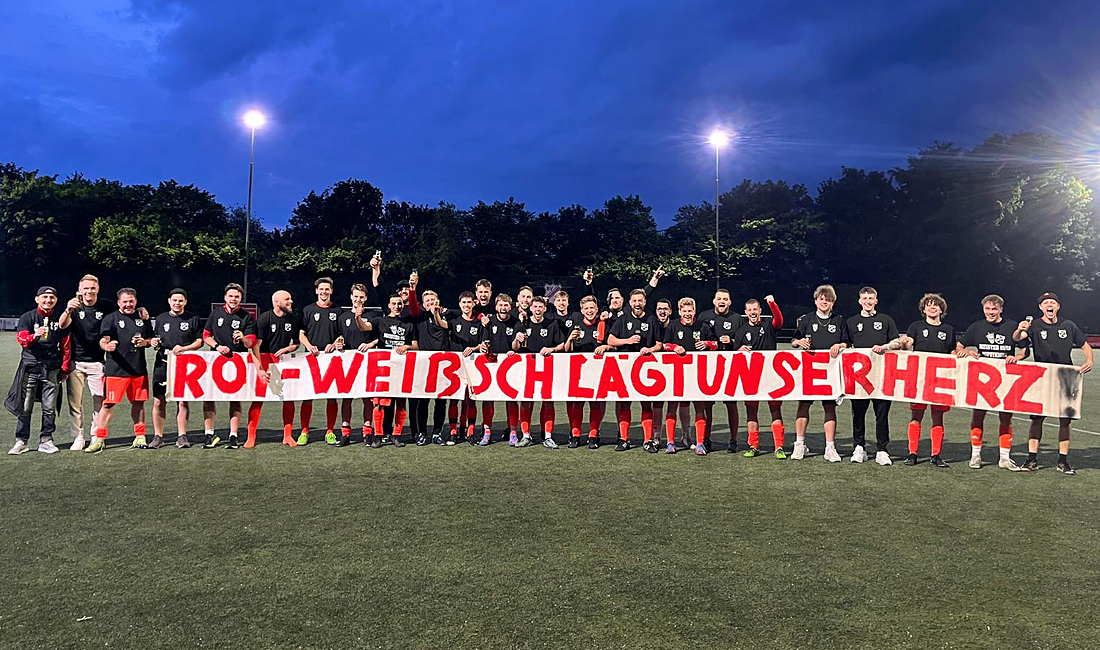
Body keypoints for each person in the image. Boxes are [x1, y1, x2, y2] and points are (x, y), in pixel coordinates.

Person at [1012, 292, 1093, 474]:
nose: (1050, 305)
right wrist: (1019, 329)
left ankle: (1063, 461)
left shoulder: (1068, 325)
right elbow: (1018, 338)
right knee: (1037, 419)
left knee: (1065, 420)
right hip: (1042, 377)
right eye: (1046, 303)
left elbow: (1085, 345)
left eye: (1053, 302)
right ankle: (1031, 459)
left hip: (1066, 377)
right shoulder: (1034, 325)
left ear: (1058, 306)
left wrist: (1089, 360)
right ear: (1041, 307)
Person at [955, 294, 1027, 471]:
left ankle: (1004, 457)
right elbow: (959, 346)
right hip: (983, 379)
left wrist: (1017, 357)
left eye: (994, 309)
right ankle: (975, 455)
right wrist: (967, 352)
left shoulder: (1011, 326)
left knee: (1006, 417)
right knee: (978, 415)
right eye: (987, 309)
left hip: (1006, 378)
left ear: (1001, 309)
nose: (990, 312)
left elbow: (1025, 350)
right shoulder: (977, 327)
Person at [85, 288, 153, 453]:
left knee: (138, 403)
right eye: (125, 302)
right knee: (108, 404)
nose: (128, 304)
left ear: (136, 301)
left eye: (131, 301)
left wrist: (144, 342)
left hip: (138, 369)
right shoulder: (111, 319)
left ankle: (140, 436)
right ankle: (99, 438)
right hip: (116, 370)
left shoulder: (142, 318)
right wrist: (106, 346)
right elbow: (104, 339)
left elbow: (150, 339)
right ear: (118, 303)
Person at [6, 286, 71, 455]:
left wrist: (65, 368)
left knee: (49, 408)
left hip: (52, 369)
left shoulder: (60, 319)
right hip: (31, 368)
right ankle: (21, 441)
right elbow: (22, 339)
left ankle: (46, 440)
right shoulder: (27, 317)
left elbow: (65, 345)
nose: (48, 300)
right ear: (37, 299)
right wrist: (35, 335)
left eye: (52, 297)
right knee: (25, 407)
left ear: (56, 300)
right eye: (45, 297)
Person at [791, 284, 849, 462]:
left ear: (833, 302)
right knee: (803, 406)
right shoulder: (807, 319)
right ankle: (799, 444)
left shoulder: (839, 320)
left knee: (829, 407)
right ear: (816, 301)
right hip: (809, 370)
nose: (824, 302)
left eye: (828, 300)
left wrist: (839, 345)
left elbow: (847, 342)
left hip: (830, 371)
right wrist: (799, 342)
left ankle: (830, 447)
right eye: (821, 299)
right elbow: (794, 340)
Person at [600, 288, 662, 452]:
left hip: (646, 368)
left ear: (645, 302)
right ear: (630, 302)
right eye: (634, 301)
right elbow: (610, 339)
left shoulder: (651, 320)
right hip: (625, 368)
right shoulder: (623, 319)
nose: (637, 303)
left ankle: (648, 440)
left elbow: (659, 344)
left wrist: (650, 349)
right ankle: (623, 439)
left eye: (640, 300)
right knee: (624, 404)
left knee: (646, 404)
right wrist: (627, 340)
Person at [898, 293, 955, 468]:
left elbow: (952, 352)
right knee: (916, 415)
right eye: (929, 305)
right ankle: (912, 453)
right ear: (923, 309)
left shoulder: (948, 330)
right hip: (920, 379)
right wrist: (904, 343)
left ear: (941, 309)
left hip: (940, 379)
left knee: (938, 416)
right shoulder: (916, 326)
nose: (932, 307)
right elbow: (909, 344)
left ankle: (935, 455)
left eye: (936, 305)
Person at [845, 286, 898, 465]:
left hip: (881, 376)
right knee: (858, 414)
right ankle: (859, 447)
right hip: (859, 378)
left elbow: (897, 341)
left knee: (881, 414)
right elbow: (846, 344)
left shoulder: (886, 320)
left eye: (871, 298)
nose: (868, 301)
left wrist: (885, 347)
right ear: (859, 301)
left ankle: (882, 449)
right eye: (865, 298)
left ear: (876, 300)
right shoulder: (852, 322)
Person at [200, 283, 257, 449]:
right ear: (225, 297)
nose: (233, 299)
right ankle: (209, 434)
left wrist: (243, 338)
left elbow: (251, 342)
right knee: (209, 396)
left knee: (235, 398)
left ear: (241, 298)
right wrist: (217, 346)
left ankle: (233, 435)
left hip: (237, 362)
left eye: (237, 296)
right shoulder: (216, 313)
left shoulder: (246, 316)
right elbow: (206, 335)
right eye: (231, 296)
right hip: (215, 361)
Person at [661, 297, 718, 455]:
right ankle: (670, 442)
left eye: (690, 311)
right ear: (679, 312)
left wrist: (707, 344)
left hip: (697, 374)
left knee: (699, 407)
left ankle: (700, 443)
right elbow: (664, 345)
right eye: (684, 311)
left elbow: (716, 344)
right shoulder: (673, 325)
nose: (687, 314)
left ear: (694, 311)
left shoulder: (703, 326)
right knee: (672, 407)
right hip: (676, 374)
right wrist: (674, 347)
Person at [247, 290, 302, 447]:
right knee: (258, 399)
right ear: (276, 302)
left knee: (288, 398)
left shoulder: (293, 318)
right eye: (287, 299)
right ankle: (251, 436)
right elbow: (255, 346)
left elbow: (296, 343)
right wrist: (260, 369)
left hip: (283, 361)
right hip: (264, 359)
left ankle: (287, 435)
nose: (291, 301)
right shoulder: (264, 318)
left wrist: (288, 349)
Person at [150, 289, 203, 448]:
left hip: (184, 364)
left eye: (180, 300)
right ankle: (158, 436)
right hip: (162, 363)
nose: (177, 303)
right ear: (169, 301)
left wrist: (185, 348)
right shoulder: (161, 318)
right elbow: (156, 338)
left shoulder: (193, 318)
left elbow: (200, 341)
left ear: (185, 302)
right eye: (174, 300)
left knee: (182, 400)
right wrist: (154, 342)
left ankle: (182, 436)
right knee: (159, 400)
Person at [734, 295, 785, 458]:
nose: (752, 312)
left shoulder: (768, 325)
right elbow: (734, 354)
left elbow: (779, 320)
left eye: (755, 309)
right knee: (751, 410)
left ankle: (779, 447)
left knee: (775, 410)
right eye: (749, 310)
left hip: (771, 375)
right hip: (751, 377)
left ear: (760, 310)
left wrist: (772, 303)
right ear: (746, 312)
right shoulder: (741, 331)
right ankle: (753, 446)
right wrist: (739, 350)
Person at [367, 293, 418, 447]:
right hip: (384, 369)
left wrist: (406, 346)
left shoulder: (409, 325)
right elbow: (365, 327)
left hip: (401, 368)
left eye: (399, 303)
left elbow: (416, 346)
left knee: (401, 403)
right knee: (379, 403)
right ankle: (378, 435)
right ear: (389, 305)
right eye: (394, 304)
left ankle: (396, 435)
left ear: (403, 305)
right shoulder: (380, 321)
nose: (397, 306)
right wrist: (357, 316)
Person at [63, 274, 107, 451]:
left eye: (92, 288)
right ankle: (78, 437)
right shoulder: (74, 306)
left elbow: (124, 310)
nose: (89, 291)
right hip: (76, 363)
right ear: (80, 290)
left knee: (99, 400)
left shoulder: (106, 306)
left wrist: (141, 310)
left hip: (97, 362)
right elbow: (62, 325)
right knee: (75, 403)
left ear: (98, 289)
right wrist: (67, 309)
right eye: (86, 288)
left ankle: (96, 435)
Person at [298, 277, 342, 445]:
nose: (324, 292)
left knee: (332, 396)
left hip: (331, 359)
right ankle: (304, 431)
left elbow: (342, 334)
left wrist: (335, 343)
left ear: (331, 291)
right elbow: (301, 333)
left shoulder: (337, 310)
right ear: (316, 291)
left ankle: (330, 431)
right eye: (321, 289)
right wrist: (309, 346)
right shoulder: (308, 310)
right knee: (307, 396)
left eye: (327, 289)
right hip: (312, 359)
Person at [518, 296, 565, 448]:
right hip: (527, 368)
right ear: (530, 308)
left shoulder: (552, 324)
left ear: (545, 308)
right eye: (535, 307)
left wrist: (552, 349)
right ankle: (526, 435)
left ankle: (548, 436)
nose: (537, 309)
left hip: (547, 369)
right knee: (526, 402)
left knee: (548, 401)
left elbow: (562, 344)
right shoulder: (523, 324)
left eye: (540, 307)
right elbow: (514, 346)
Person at [477, 293, 524, 446]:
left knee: (511, 399)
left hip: (509, 366)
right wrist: (483, 348)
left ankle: (513, 433)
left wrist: (515, 345)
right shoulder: (489, 322)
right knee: (487, 399)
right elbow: (483, 342)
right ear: (496, 306)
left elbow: (516, 347)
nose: (503, 308)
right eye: (500, 305)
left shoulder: (517, 323)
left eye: (506, 305)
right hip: (491, 365)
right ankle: (487, 432)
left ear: (510, 307)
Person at [699, 288, 740, 452]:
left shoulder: (737, 318)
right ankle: (706, 439)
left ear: (729, 302)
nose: (722, 301)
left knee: (731, 404)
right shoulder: (703, 317)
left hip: (730, 367)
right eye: (719, 299)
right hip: (709, 367)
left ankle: (733, 440)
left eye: (725, 299)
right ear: (714, 301)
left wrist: (732, 341)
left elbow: (744, 341)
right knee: (707, 405)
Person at [443, 291, 487, 444]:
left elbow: (484, 344)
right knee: (454, 399)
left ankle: (470, 431)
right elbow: (441, 324)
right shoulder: (453, 321)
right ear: (459, 304)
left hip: (473, 365)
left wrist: (474, 348)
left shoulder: (479, 323)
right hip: (455, 366)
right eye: (464, 302)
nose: (466, 305)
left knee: (470, 399)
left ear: (474, 303)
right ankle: (453, 432)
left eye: (469, 302)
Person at [563, 295, 607, 448]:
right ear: (582, 310)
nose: (589, 311)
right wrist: (570, 339)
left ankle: (593, 435)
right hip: (578, 371)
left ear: (597, 309)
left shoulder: (602, 325)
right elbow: (567, 349)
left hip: (597, 370)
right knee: (578, 403)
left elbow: (610, 343)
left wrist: (606, 346)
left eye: (592, 308)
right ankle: (575, 435)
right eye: (586, 308)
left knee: (595, 403)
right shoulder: (576, 325)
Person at [335, 284, 375, 446]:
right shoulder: (343, 317)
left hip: (367, 362)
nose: (358, 299)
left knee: (368, 398)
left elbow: (378, 337)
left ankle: (367, 432)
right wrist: (338, 343)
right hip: (348, 363)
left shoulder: (371, 316)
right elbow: (339, 336)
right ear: (351, 297)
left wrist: (370, 344)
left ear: (366, 298)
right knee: (347, 398)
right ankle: (345, 433)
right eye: (356, 296)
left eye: (361, 297)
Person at [410, 290, 450, 445]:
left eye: (433, 299)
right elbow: (413, 306)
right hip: (424, 364)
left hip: (443, 364)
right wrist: (413, 289)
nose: (430, 302)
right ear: (424, 304)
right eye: (427, 300)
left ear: (438, 301)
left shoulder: (447, 316)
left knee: (441, 401)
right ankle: (422, 433)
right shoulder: (420, 317)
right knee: (423, 400)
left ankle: (437, 433)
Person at [652, 297, 691, 447]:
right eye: (659, 309)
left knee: (682, 402)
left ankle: (686, 435)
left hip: (678, 370)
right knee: (658, 404)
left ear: (670, 311)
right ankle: (657, 436)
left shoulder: (675, 325)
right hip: (657, 370)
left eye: (665, 309)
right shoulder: (651, 323)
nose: (662, 311)